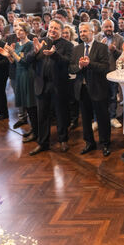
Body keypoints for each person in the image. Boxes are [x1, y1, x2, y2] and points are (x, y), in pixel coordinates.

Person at [26, 19, 74, 155]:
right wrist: (34, 52)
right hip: (42, 84)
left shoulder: (68, 45)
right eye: (51, 28)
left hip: (59, 85)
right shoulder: (40, 41)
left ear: (61, 31)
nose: (52, 30)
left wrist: (55, 55)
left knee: (61, 114)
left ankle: (63, 140)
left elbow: (68, 62)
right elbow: (28, 60)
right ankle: (43, 143)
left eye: (56, 29)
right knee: (42, 115)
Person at [71, 22, 112, 157]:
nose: (82, 33)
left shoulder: (101, 47)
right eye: (80, 31)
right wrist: (80, 66)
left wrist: (90, 64)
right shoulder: (77, 49)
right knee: (86, 118)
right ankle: (89, 142)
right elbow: (71, 68)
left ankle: (105, 143)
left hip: (98, 88)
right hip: (82, 89)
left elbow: (105, 67)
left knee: (102, 117)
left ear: (92, 31)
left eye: (85, 31)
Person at [0, 22, 37, 142]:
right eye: (17, 30)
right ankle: (33, 128)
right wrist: (8, 56)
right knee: (25, 105)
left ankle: (36, 132)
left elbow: (24, 61)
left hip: (27, 75)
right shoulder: (18, 44)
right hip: (19, 75)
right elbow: (14, 62)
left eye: (21, 30)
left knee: (31, 105)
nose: (18, 32)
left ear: (26, 31)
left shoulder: (30, 44)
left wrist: (12, 52)